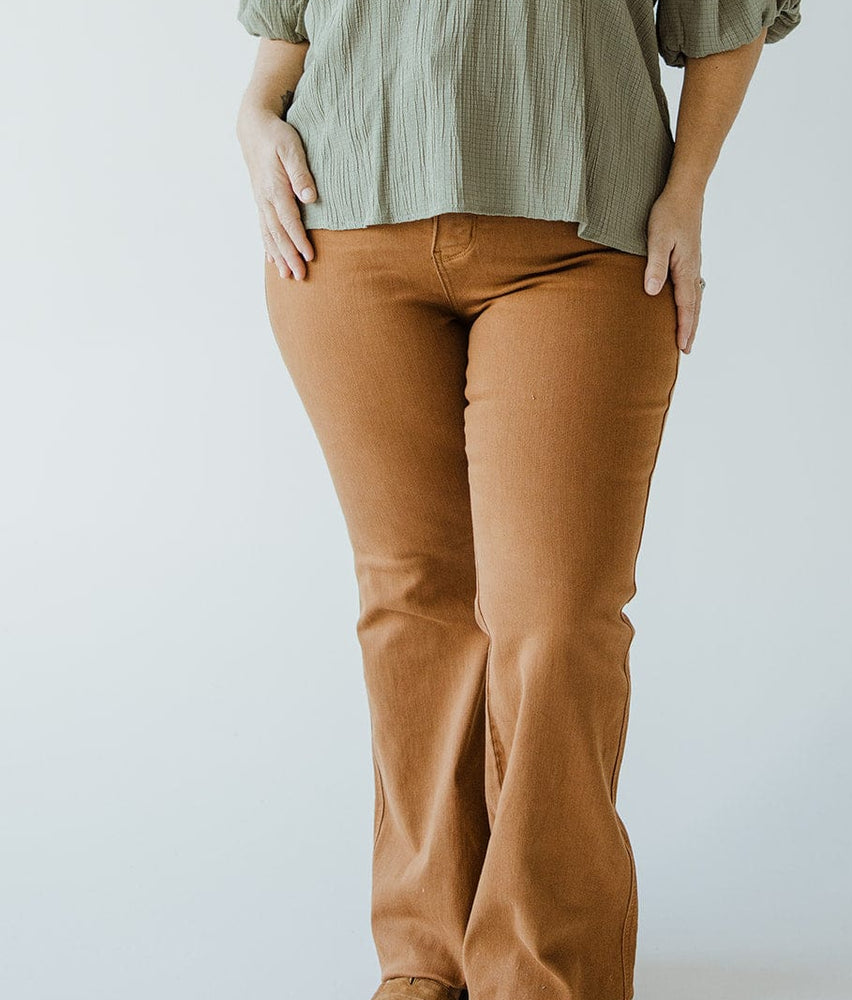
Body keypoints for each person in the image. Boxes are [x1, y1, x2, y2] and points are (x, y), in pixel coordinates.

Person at [234, 2, 803, 999]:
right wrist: (254, 115)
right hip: (345, 227)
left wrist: (688, 188)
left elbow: (728, 15)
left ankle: (548, 972)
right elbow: (292, 26)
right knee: (414, 606)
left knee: (554, 617)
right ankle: (425, 961)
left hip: (581, 234)